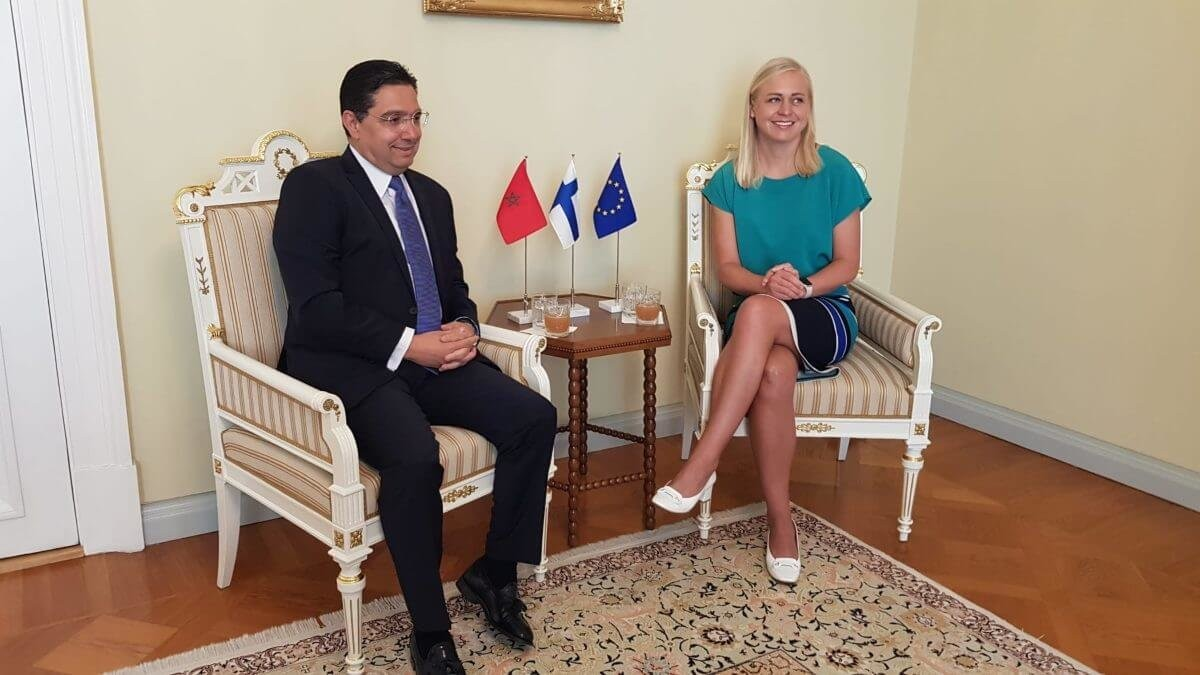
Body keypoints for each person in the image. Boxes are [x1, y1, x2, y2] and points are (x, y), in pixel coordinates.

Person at [273, 60, 556, 674]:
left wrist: (465, 327)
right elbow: (316, 309)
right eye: (392, 118)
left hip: (434, 360)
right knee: (413, 456)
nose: (410, 132)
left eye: (416, 117)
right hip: (356, 368)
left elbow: (452, 287)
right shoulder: (315, 188)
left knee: (534, 417)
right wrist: (409, 344)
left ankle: (494, 573)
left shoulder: (431, 195)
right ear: (352, 123)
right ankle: (430, 630)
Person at [652, 57, 870, 585]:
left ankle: (704, 460)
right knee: (772, 371)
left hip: (824, 310)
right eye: (774, 99)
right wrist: (767, 283)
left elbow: (848, 264)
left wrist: (802, 287)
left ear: (809, 109)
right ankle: (780, 521)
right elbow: (728, 268)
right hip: (757, 313)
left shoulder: (834, 170)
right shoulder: (730, 181)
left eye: (798, 99)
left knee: (758, 311)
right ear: (752, 108)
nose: (786, 110)